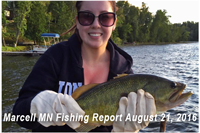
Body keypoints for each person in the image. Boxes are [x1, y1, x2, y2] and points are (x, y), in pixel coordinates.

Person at [13, 1, 156, 132]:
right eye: (87, 17)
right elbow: (19, 114)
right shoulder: (55, 57)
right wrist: (34, 106)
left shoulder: (125, 72)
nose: (96, 24)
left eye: (105, 17)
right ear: (77, 21)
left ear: (114, 23)